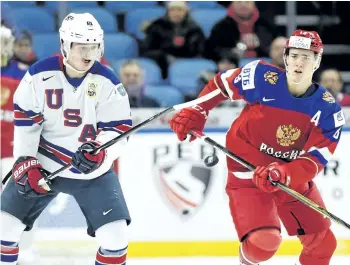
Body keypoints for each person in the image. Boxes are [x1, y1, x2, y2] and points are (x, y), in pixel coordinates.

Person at [169, 30, 345, 265]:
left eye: (306, 56)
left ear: (317, 61)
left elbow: (315, 160)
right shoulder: (262, 77)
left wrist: (285, 173)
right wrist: (199, 109)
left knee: (323, 245)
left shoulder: (328, 110)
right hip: (246, 170)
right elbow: (221, 84)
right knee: (263, 243)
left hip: (287, 176)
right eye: (294, 55)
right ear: (285, 57)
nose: (298, 62)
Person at [1, 13, 132, 265]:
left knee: (115, 239)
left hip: (92, 171)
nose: (88, 53)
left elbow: (119, 132)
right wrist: (25, 160)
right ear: (65, 45)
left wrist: (100, 150)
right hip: (43, 164)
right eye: (82, 46)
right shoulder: (37, 76)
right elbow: (26, 124)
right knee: (3, 228)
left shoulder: (108, 82)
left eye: (93, 46)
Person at [141, 1, 205, 78]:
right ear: (168, 11)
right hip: (162, 64)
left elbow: (199, 51)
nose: (176, 13)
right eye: (172, 10)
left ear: (186, 12)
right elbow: (146, 49)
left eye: (179, 10)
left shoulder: (194, 28)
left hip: (186, 62)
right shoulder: (157, 26)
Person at [205, 1, 276, 63]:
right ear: (232, 4)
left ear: (254, 4)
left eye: (247, 2)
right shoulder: (221, 27)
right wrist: (232, 53)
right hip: (233, 67)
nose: (243, 5)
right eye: (239, 2)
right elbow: (210, 51)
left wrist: (260, 45)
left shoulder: (265, 25)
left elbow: (275, 48)